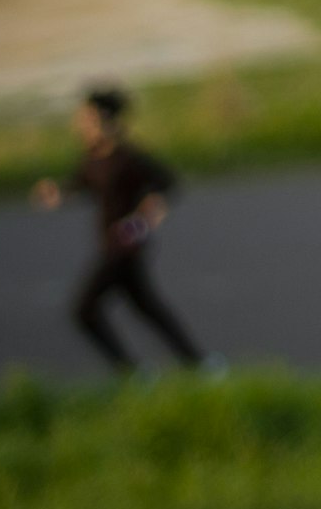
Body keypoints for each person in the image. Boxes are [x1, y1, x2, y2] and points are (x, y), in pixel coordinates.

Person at [32, 85, 212, 377]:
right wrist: (56, 194)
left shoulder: (128, 157)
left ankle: (133, 373)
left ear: (103, 118)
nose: (79, 124)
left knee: (84, 310)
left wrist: (145, 216)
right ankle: (199, 366)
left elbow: (166, 184)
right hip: (108, 244)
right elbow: (82, 185)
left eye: (86, 117)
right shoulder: (92, 156)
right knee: (147, 308)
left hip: (124, 246)